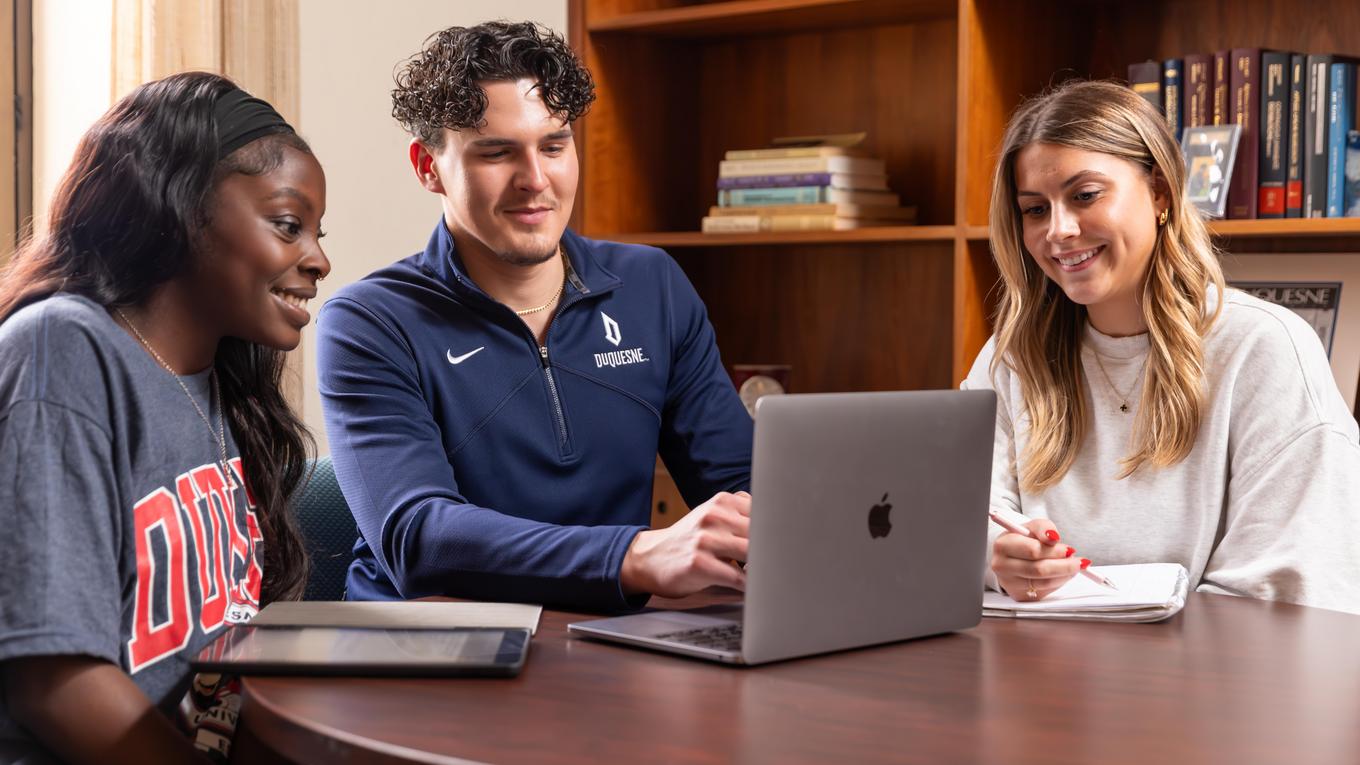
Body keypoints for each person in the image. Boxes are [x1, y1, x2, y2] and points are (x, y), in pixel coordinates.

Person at [316, 21, 753, 611]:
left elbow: (739, 482)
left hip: (602, 639)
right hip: (425, 652)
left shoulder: (653, 286)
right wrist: (636, 557)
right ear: (428, 167)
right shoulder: (370, 322)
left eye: (554, 145)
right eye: (497, 152)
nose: (536, 181)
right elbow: (417, 538)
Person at [0, 72, 329, 763]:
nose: (319, 259)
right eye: (289, 225)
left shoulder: (221, 387)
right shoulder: (63, 346)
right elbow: (53, 681)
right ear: (181, 206)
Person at [963, 79, 1360, 614]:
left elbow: (1286, 590)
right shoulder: (1012, 357)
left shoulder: (1265, 348)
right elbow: (965, 515)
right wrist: (998, 560)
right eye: (1035, 209)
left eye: (1084, 195)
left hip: (1211, 684)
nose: (1057, 230)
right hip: (1038, 673)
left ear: (1160, 194)